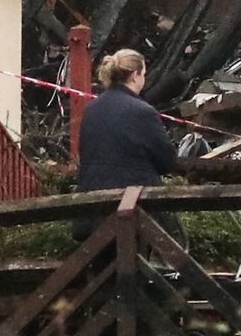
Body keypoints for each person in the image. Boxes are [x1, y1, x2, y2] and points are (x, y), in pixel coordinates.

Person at [74, 48, 181, 240]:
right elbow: (168, 162)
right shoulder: (143, 112)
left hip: (91, 211)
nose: (144, 80)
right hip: (132, 211)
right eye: (144, 74)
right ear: (135, 75)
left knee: (104, 267)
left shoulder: (91, 110)